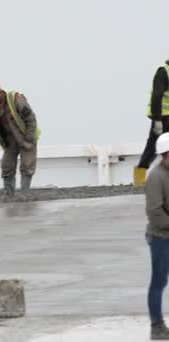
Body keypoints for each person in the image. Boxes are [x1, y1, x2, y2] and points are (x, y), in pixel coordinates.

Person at [0, 79, 40, 200]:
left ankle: (25, 193)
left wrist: (29, 139)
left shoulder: (15, 99)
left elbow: (30, 117)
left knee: (27, 165)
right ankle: (8, 194)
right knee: (7, 166)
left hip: (25, 136)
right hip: (9, 140)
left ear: (0, 92)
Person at [145, 132, 169, 339]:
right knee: (159, 281)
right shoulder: (155, 177)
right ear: (165, 155)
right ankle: (156, 325)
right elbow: (154, 213)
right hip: (160, 237)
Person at [135, 60, 169, 187]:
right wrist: (157, 120)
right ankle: (139, 178)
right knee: (153, 147)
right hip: (162, 117)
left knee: (153, 147)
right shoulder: (163, 72)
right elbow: (157, 96)